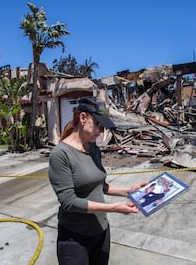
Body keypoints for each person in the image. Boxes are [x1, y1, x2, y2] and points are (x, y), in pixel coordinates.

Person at [48, 96, 148, 265]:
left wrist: (128, 191)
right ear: (83, 118)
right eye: (98, 125)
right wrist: (113, 208)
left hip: (101, 232)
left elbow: (99, 185)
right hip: (75, 238)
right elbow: (68, 202)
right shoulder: (61, 154)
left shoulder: (93, 148)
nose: (101, 131)